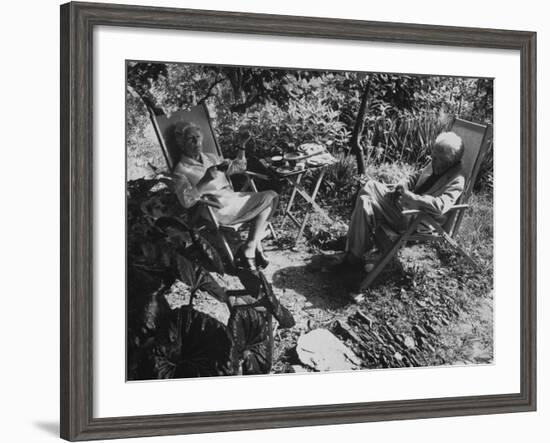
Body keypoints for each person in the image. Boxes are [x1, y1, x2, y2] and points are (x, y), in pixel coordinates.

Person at [342, 131, 466, 268]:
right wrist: (402, 184)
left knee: (370, 188)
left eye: (436, 158)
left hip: (417, 218)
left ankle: (353, 252)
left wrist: (411, 198)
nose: (432, 160)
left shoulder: (458, 180)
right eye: (433, 156)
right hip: (404, 206)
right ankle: (354, 255)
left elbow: (440, 205)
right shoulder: (437, 162)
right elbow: (415, 177)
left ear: (448, 161)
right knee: (366, 199)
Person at [171, 121, 278, 270]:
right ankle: (252, 248)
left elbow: (239, 167)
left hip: (232, 199)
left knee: (272, 197)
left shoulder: (211, 158)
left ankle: (251, 246)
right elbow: (186, 202)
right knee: (268, 200)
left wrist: (242, 145)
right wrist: (203, 181)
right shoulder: (180, 170)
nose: (197, 142)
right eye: (191, 139)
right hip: (215, 208)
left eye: (198, 137)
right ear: (182, 143)